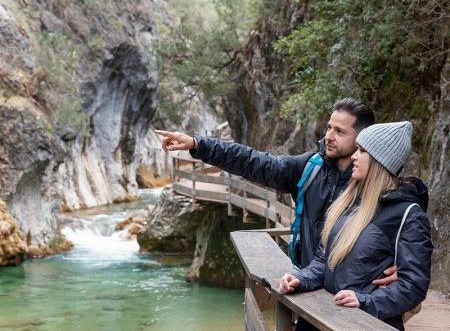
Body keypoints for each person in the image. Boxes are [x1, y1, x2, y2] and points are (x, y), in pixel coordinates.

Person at [156, 98, 380, 269]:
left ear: (362, 138)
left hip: (355, 299)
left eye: (339, 131)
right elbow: (253, 161)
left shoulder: (376, 182)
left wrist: (402, 266)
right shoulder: (310, 168)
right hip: (311, 288)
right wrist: (198, 145)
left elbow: (405, 225)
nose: (329, 136)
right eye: (329, 128)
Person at [278, 121, 433, 331]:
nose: (354, 156)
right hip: (324, 319)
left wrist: (365, 301)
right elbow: (324, 261)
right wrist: (300, 279)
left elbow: (413, 285)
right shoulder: (347, 201)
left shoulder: (408, 215)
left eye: (362, 151)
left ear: (380, 161)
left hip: (364, 324)